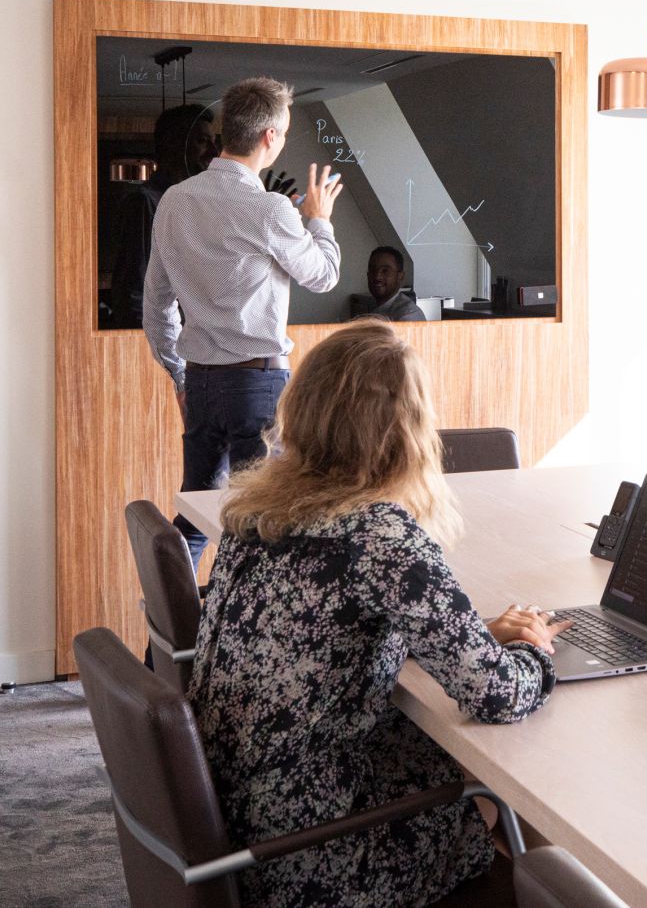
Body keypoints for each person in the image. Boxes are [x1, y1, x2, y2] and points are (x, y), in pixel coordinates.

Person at [191, 322, 565, 908]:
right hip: (313, 857)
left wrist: (470, 636)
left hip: (236, 816)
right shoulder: (380, 536)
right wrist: (533, 649)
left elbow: (326, 627)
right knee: (504, 789)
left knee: (461, 766)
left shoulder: (254, 510)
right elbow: (496, 694)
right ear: (409, 430)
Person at [144, 77, 344, 568]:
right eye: (285, 133)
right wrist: (318, 220)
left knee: (196, 517)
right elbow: (324, 276)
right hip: (257, 385)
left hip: (201, 383)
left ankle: (170, 619)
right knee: (264, 522)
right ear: (269, 137)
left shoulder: (174, 201)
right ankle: (242, 616)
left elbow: (157, 305)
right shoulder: (269, 208)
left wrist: (179, 376)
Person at [104, 101, 218, 329]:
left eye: (213, 143)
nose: (214, 153)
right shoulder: (145, 203)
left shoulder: (196, 205)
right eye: (202, 141)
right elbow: (133, 294)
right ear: (173, 145)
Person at [365, 245, 426, 321]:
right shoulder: (376, 309)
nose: (377, 277)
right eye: (373, 270)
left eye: (385, 271)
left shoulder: (407, 316)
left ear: (400, 276)